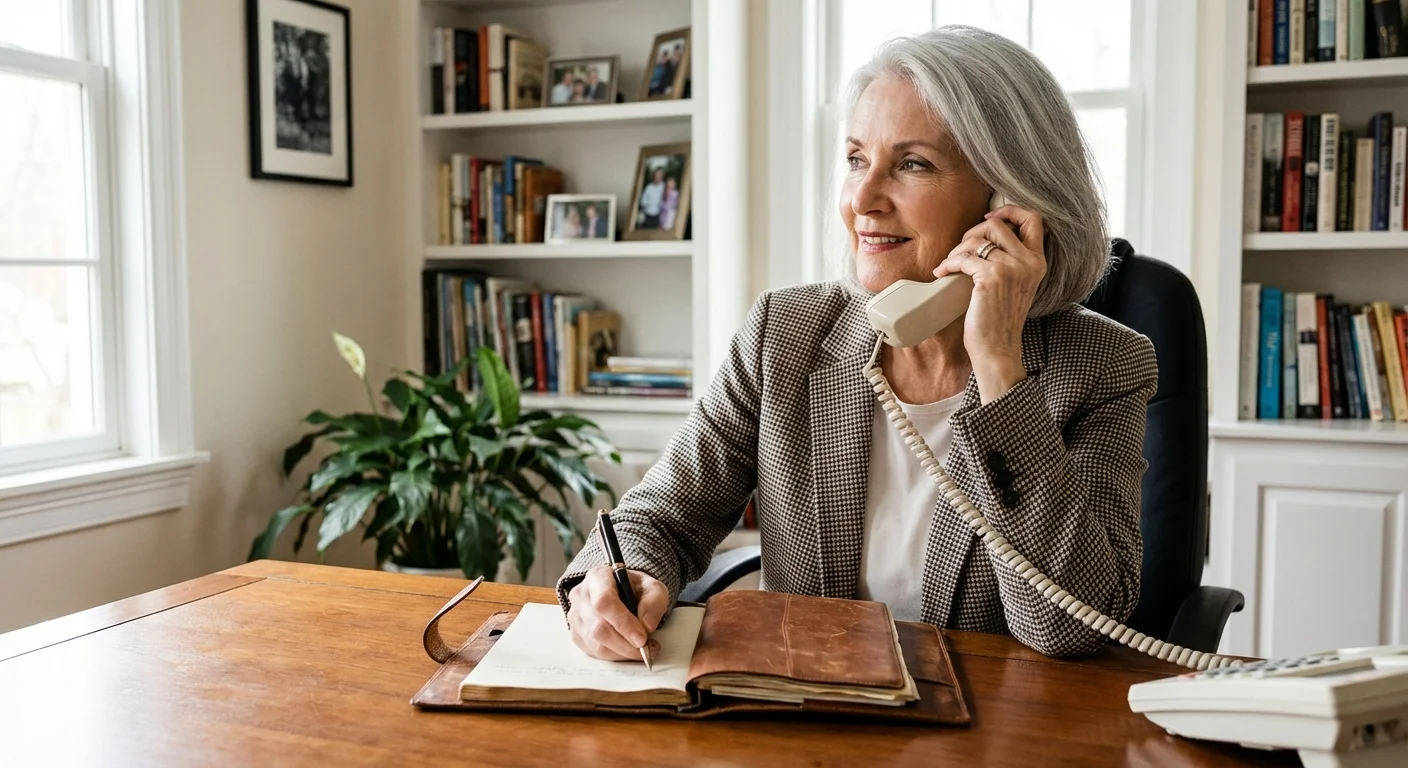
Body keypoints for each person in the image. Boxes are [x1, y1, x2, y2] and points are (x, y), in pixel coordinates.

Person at [557, 26, 1154, 664]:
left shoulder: (1104, 367)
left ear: (1008, 204)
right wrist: (613, 584)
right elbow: (663, 516)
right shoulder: (785, 332)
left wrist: (1000, 367)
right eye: (854, 159)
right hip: (805, 720)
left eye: (912, 164)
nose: (862, 200)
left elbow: (1072, 628)